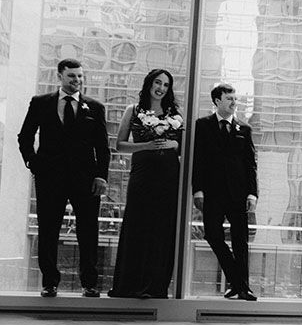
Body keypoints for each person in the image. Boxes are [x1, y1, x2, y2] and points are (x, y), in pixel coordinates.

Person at [17, 58, 110, 298]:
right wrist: (33, 163)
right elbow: (25, 136)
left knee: (88, 232)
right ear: (59, 76)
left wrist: (101, 176)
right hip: (50, 178)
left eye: (80, 76)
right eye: (72, 76)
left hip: (86, 179)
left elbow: (103, 147)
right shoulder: (41, 103)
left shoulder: (95, 107)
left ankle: (90, 284)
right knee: (48, 230)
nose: (77, 80)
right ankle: (49, 282)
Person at [108, 69, 183, 299]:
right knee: (137, 225)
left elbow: (183, 146)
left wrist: (173, 145)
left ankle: (155, 286)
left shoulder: (176, 114)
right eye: (157, 83)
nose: (161, 88)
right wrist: (146, 146)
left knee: (163, 229)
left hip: (169, 176)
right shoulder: (133, 110)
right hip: (142, 174)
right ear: (149, 84)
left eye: (166, 85)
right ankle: (130, 285)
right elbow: (119, 145)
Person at [192, 82, 259, 301]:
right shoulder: (202, 125)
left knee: (241, 241)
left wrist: (252, 193)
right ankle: (238, 281)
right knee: (212, 235)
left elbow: (251, 164)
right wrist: (197, 189)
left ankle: (241, 287)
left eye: (235, 99)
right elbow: (198, 160)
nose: (234, 103)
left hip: (238, 194)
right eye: (229, 99)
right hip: (212, 193)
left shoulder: (244, 129)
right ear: (217, 101)